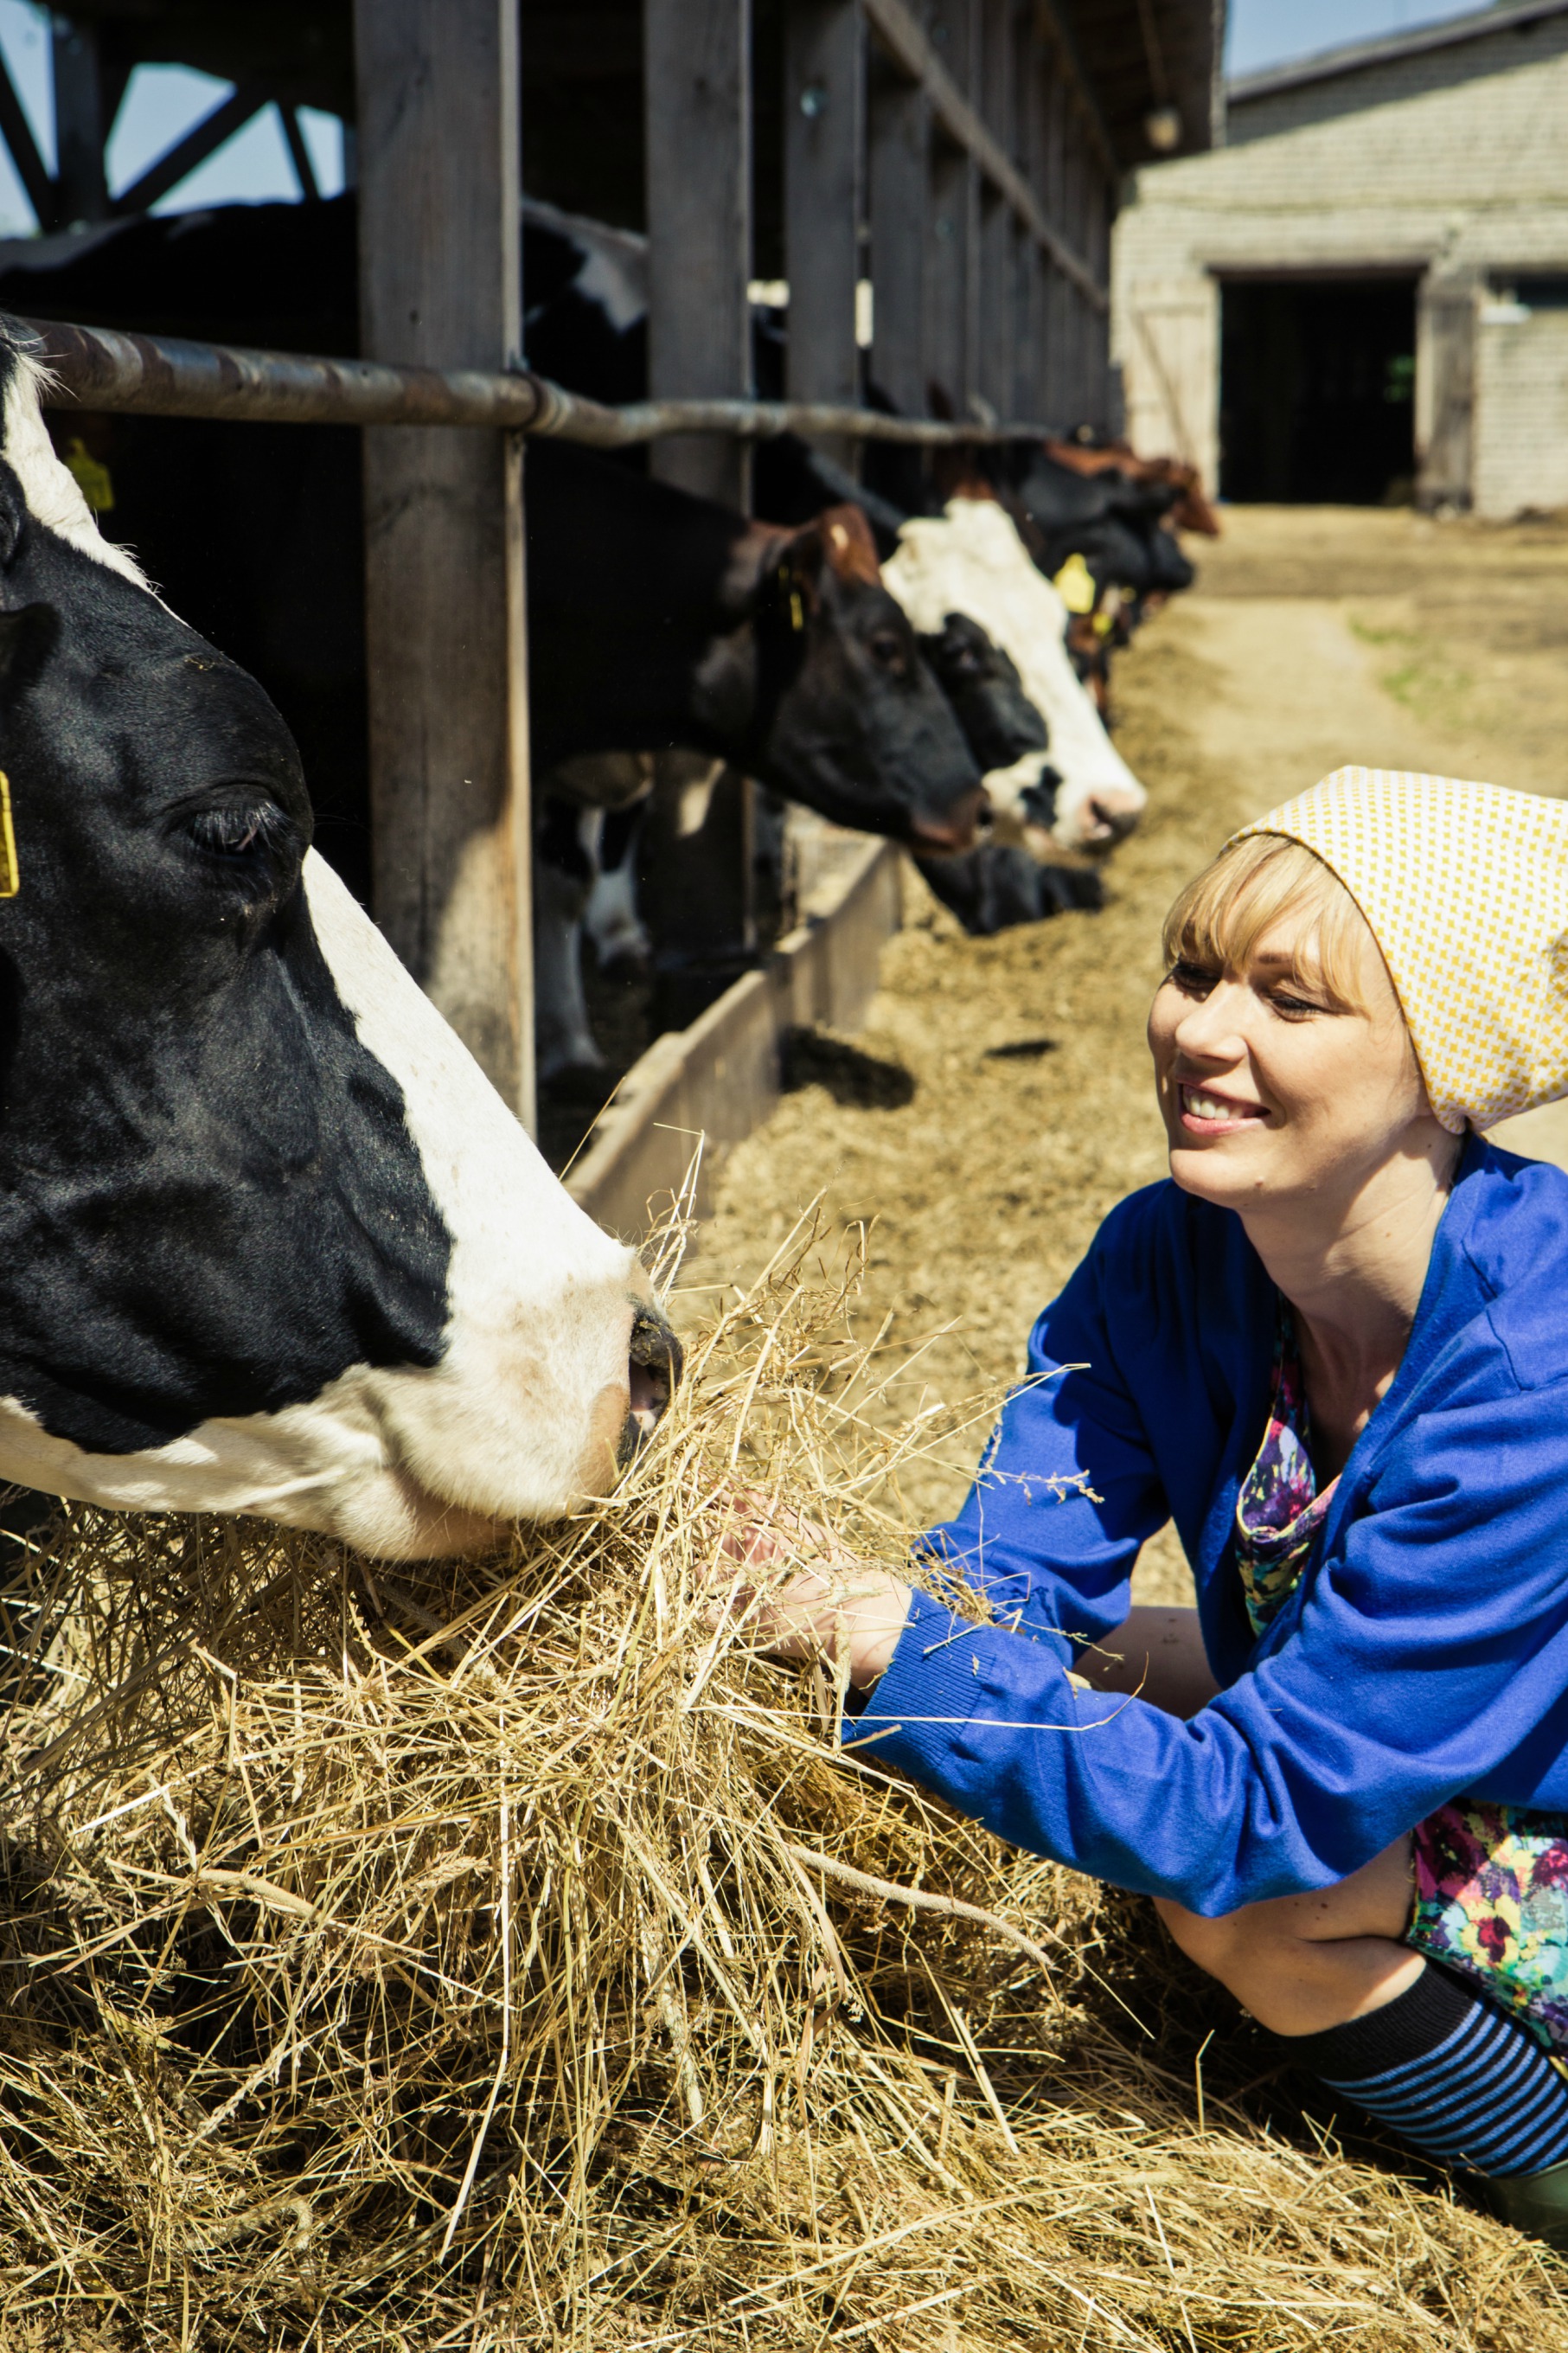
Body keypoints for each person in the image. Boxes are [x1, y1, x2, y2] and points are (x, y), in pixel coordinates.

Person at [727, 767, 1568, 2242]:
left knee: (1245, 1906)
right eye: (1191, 973)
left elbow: (1253, 1817)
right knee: (1106, 1660)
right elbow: (1003, 1583)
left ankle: (1542, 2166)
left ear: (1437, 1067)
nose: (1199, 1033)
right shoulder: (1167, 1257)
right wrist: (851, 1635)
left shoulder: (1531, 1380)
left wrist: (903, 1652)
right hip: (1422, 1740)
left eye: (1287, 1001)